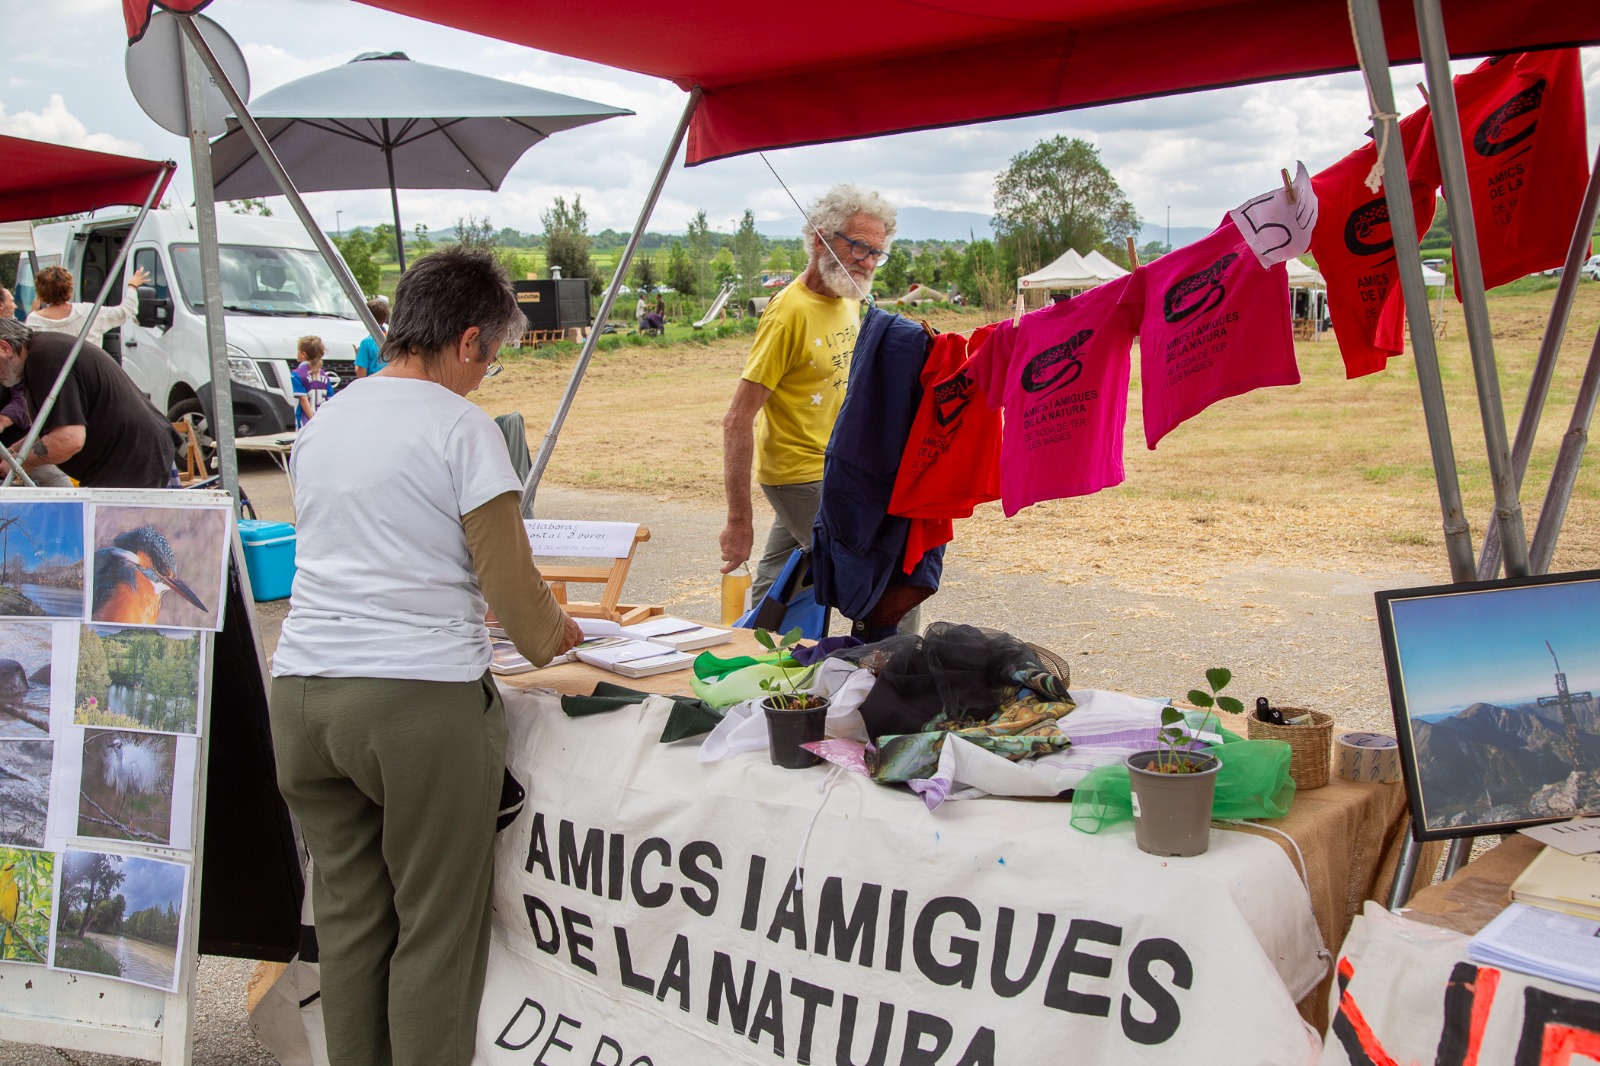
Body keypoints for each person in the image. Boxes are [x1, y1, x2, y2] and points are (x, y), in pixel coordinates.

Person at [268, 247, 582, 1066]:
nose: (489, 376)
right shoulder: (461, 427)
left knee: (349, 922)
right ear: (470, 340)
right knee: (435, 932)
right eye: (495, 358)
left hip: (303, 694)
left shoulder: (325, 419)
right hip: (415, 702)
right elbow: (515, 597)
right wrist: (564, 635)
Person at [719, 182, 896, 603]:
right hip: (800, 474)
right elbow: (737, 418)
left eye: (877, 252)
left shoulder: (849, 298)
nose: (869, 262)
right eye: (858, 247)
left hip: (839, 466)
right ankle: (893, 662)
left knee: (782, 579)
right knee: (879, 576)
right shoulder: (787, 313)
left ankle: (753, 645)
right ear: (820, 240)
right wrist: (739, 520)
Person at [0, 318, 178, 488]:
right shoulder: (41, 352)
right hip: (130, 456)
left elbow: (68, 439)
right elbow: (53, 428)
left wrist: (20, 463)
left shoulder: (44, 361)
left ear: (4, 348)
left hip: (132, 459)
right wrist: (12, 453)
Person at [26, 265, 150, 349]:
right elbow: (125, 311)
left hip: (53, 383)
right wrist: (132, 285)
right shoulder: (89, 312)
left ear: (40, 293)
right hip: (88, 380)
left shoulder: (34, 321)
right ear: (69, 290)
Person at [291, 335, 334, 428]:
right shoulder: (324, 376)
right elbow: (330, 400)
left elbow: (303, 399)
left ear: (303, 354)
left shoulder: (297, 374)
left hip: (306, 422)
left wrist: (312, 420)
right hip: (322, 420)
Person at [353, 296, 389, 378]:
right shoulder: (393, 341)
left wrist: (358, 357)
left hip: (374, 387)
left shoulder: (366, 343)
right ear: (386, 317)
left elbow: (361, 375)